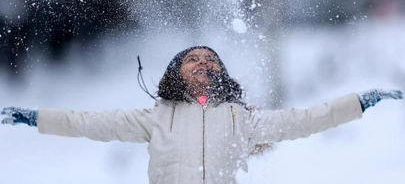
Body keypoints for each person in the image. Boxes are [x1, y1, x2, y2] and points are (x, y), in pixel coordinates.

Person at [1, 46, 403, 184]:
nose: (202, 63)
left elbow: (306, 118)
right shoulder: (154, 117)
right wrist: (33, 117)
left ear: (221, 73)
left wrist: (360, 102)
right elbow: (85, 122)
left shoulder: (242, 118)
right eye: (192, 59)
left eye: (211, 59)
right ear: (176, 72)